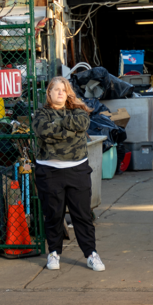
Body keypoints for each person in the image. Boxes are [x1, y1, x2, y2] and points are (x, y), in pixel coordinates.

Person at [32, 77, 105, 272]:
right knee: (53, 215)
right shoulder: (41, 113)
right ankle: (54, 253)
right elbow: (43, 131)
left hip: (77, 170)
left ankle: (91, 253)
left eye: (63, 90)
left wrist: (57, 127)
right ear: (49, 93)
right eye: (56, 89)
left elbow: (78, 126)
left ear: (68, 93)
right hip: (49, 171)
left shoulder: (79, 112)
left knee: (82, 215)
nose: (60, 93)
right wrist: (67, 128)